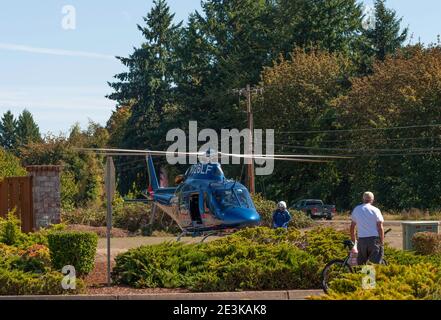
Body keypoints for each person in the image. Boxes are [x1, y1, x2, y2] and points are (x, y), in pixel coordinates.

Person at [350, 192, 385, 265]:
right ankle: (370, 276)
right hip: (374, 240)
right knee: (373, 265)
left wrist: (354, 240)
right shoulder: (375, 210)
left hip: (361, 240)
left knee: (361, 264)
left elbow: (352, 227)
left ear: (363, 199)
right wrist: (381, 241)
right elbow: (380, 227)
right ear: (372, 199)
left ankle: (362, 276)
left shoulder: (357, 209)